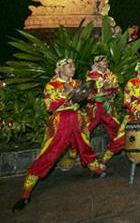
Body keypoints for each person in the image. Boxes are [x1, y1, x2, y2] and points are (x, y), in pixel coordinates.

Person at [12, 58, 109, 212]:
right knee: (48, 154)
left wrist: (97, 90)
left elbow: (89, 98)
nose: (73, 68)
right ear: (60, 69)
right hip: (60, 122)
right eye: (69, 66)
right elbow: (50, 107)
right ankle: (25, 193)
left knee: (84, 145)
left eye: (73, 66)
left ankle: (96, 170)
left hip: (77, 119)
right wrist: (64, 95)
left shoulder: (77, 82)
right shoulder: (52, 85)